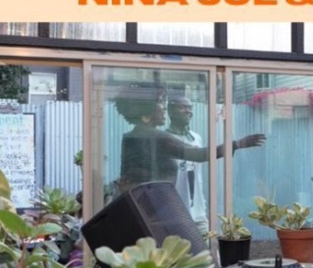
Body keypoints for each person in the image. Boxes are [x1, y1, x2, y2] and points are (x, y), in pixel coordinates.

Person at [114, 82, 266, 196]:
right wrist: (237, 144)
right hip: (154, 209)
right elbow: (200, 155)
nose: (164, 106)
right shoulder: (156, 137)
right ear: (145, 113)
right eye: (159, 102)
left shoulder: (130, 137)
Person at [164, 93, 267, 234]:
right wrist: (236, 144)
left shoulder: (196, 138)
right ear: (170, 111)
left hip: (198, 211)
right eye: (182, 107)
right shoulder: (164, 138)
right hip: (174, 211)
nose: (188, 111)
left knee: (207, 245)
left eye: (190, 107)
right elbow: (201, 155)